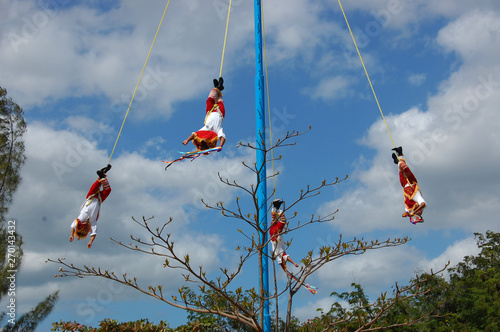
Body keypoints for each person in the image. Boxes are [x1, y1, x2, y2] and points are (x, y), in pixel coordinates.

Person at [69, 164, 112, 248]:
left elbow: (73, 226)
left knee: (96, 185)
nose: (85, 229)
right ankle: (102, 175)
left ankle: (101, 175)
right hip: (99, 199)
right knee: (108, 190)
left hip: (91, 197)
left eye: (83, 229)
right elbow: (94, 233)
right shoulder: (92, 223)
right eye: (86, 231)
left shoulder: (80, 219)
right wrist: (90, 241)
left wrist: (72, 235)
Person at [183, 77, 226, 151]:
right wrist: (220, 145)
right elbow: (223, 138)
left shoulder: (205, 129)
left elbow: (194, 135)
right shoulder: (217, 131)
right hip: (220, 113)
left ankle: (217, 87)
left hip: (210, 112)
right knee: (219, 99)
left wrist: (187, 140)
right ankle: (219, 88)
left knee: (209, 100)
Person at [392, 147, 426, 223]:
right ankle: (398, 159)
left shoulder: (409, 206)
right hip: (411, 183)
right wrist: (415, 212)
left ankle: (399, 155)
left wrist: (410, 214)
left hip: (404, 185)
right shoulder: (418, 199)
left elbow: (403, 215)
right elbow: (423, 204)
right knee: (404, 167)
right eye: (419, 211)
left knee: (400, 171)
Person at [269, 199, 299, 273]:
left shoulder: (280, 253)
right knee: (274, 220)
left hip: (276, 235)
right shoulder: (275, 253)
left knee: (282, 221)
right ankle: (275, 207)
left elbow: (286, 257)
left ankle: (278, 208)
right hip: (271, 234)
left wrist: (294, 263)